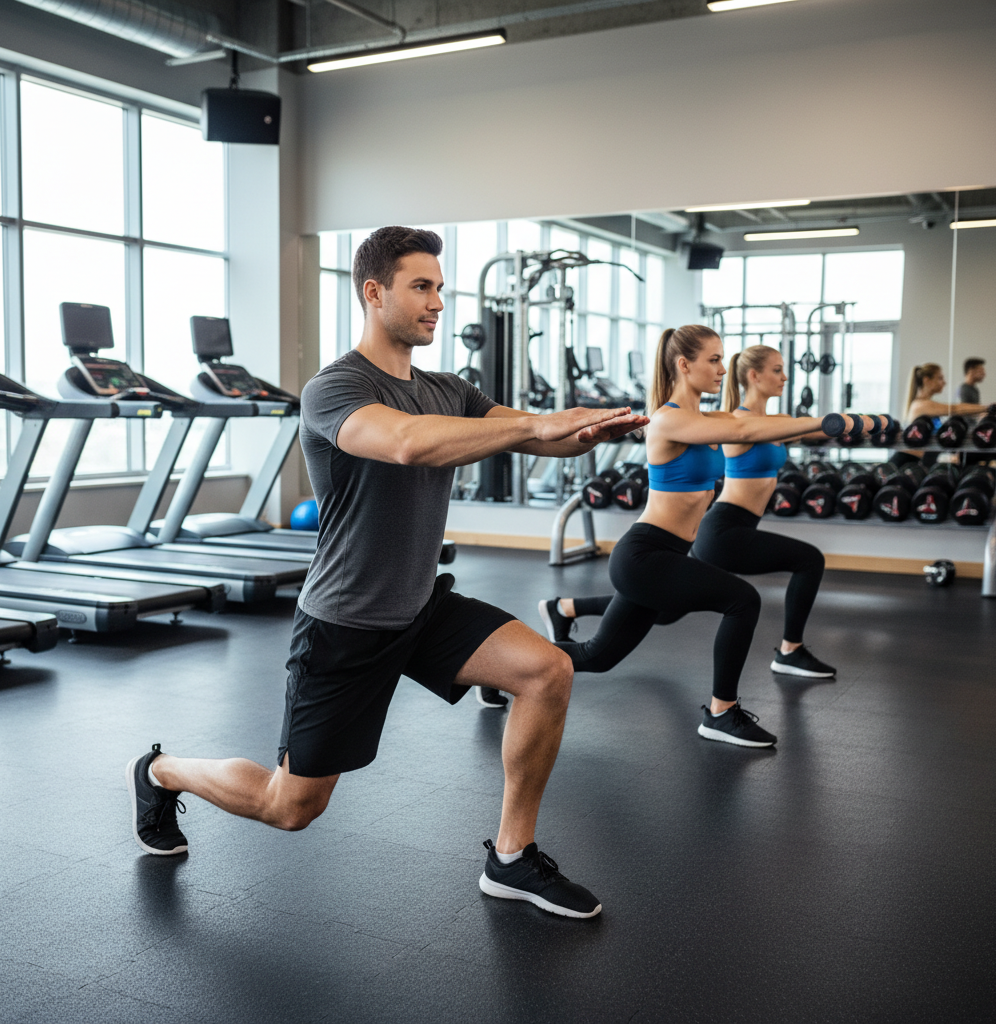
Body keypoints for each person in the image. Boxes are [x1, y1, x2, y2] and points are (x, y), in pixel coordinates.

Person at [125, 226, 647, 920]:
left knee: (548, 670)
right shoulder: (335, 388)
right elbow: (405, 444)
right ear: (375, 293)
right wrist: (537, 427)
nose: (437, 302)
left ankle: (512, 857)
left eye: (440, 287)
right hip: (345, 621)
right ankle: (161, 771)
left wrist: (583, 430)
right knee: (292, 806)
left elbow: (529, 432)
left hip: (420, 605)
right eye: (421, 287)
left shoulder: (446, 388)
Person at [538, 325, 862, 749]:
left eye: (723, 360)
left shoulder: (706, 419)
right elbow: (745, 432)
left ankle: (499, 672)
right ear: (683, 364)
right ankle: (721, 712)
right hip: (645, 553)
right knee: (742, 600)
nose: (722, 370)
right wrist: (825, 421)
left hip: (665, 553)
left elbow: (762, 424)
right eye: (714, 360)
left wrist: (849, 424)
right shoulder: (670, 419)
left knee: (596, 657)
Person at [690, 345, 838, 678]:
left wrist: (858, 423)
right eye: (777, 370)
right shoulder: (736, 422)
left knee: (665, 608)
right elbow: (750, 431)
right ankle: (790, 651)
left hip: (738, 528)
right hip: (724, 530)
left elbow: (813, 429)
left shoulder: (778, 421)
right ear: (754, 376)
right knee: (809, 559)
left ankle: (567, 608)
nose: (785, 377)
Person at [901, 362, 989, 464]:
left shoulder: (924, 404)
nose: (944, 382)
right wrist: (988, 407)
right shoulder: (920, 405)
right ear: (927, 380)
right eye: (940, 378)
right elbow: (955, 409)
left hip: (924, 461)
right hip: (912, 461)